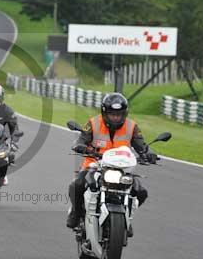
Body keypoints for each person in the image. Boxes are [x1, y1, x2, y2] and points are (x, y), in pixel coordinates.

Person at [66, 92, 156, 230]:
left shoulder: (131, 126)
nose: (115, 117)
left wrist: (149, 154)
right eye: (112, 114)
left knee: (141, 191)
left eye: (119, 114)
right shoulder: (94, 123)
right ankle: (76, 214)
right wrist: (82, 147)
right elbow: (81, 140)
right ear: (104, 112)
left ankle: (127, 218)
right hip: (95, 164)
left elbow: (141, 146)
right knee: (77, 185)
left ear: (124, 113)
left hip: (122, 168)